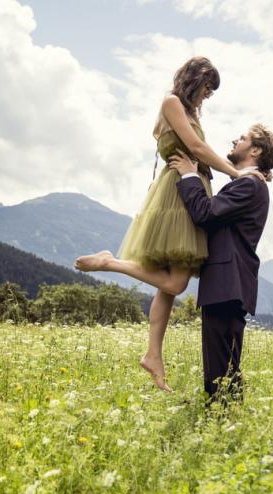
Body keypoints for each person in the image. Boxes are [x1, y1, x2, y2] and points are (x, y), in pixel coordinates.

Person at [74, 57, 261, 392]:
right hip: (179, 192)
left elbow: (197, 149)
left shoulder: (189, 112)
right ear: (194, 80)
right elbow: (196, 147)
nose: (207, 96)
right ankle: (109, 262)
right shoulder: (172, 102)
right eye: (206, 89)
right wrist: (235, 173)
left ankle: (153, 355)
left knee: (170, 283)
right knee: (175, 284)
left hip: (190, 185)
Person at [168, 123, 273, 401]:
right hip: (228, 285)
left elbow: (205, 214)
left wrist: (190, 176)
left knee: (221, 370)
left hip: (226, 284)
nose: (235, 140)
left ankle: (221, 425)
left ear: (255, 150)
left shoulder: (249, 185)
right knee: (225, 366)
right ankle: (226, 424)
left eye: (242, 138)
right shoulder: (248, 183)